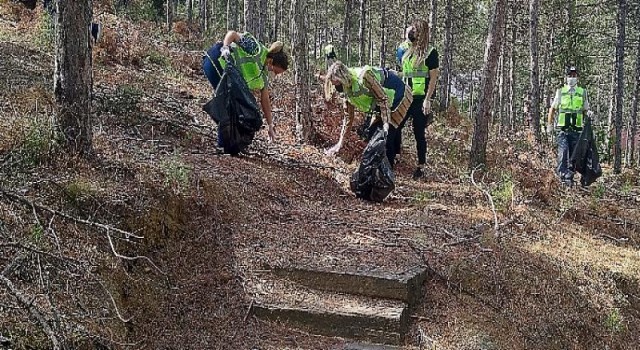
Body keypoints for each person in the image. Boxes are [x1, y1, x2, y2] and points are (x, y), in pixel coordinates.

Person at [202, 30, 289, 143]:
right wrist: (225, 48)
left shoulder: (263, 74)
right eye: (276, 72)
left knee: (236, 107)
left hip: (227, 74)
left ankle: (231, 144)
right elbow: (232, 34)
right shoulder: (255, 49)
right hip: (215, 61)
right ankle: (225, 145)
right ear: (271, 61)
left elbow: (265, 99)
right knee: (228, 105)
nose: (275, 75)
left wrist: (270, 125)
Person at [323, 61, 413, 166]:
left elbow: (383, 99)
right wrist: (340, 144)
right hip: (381, 106)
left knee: (386, 138)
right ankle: (380, 169)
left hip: (399, 97)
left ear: (343, 78)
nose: (336, 88)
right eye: (334, 85)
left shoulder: (364, 77)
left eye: (337, 84)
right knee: (372, 136)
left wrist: (386, 124)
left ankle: (388, 173)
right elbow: (348, 118)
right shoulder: (346, 91)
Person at [399, 19, 439, 179]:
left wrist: (428, 99)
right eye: (411, 29)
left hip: (420, 97)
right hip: (404, 95)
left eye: (415, 30)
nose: (411, 32)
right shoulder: (402, 49)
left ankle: (421, 166)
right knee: (396, 126)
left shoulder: (430, 52)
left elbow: (434, 77)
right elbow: (402, 70)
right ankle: (394, 157)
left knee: (418, 132)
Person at [546, 66, 594, 187]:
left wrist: (588, 113)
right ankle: (563, 178)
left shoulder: (582, 92)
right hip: (563, 129)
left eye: (574, 75)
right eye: (570, 76)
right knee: (563, 153)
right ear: (566, 78)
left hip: (576, 130)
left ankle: (570, 178)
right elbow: (552, 109)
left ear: (577, 77)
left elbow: (585, 109)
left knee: (574, 156)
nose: (572, 78)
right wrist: (549, 124)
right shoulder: (560, 92)